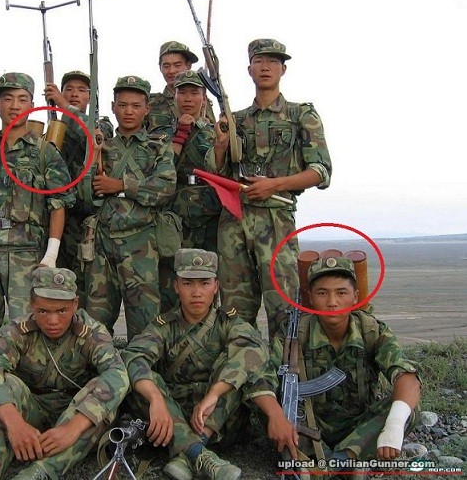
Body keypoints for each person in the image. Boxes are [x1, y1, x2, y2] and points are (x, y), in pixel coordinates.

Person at [0, 72, 75, 422]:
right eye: (7, 99)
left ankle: (26, 401)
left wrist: (51, 255)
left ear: (31, 104)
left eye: (22, 99)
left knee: (26, 329)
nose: (14, 106)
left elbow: (58, 205)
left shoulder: (45, 152)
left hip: (26, 252)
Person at [122, 249, 297, 480]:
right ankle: (201, 456)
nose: (196, 293)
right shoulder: (163, 326)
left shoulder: (228, 322)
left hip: (219, 420)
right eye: (188, 284)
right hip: (173, 417)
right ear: (176, 286)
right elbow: (134, 357)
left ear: (216, 286)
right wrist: (156, 399)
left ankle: (187, 452)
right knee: (144, 380)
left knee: (239, 367)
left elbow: (255, 351)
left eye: (204, 283)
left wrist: (215, 393)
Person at [206, 39, 332, 339]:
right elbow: (216, 174)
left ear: (283, 69)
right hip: (235, 222)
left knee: (284, 308)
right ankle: (241, 363)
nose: (265, 67)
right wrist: (221, 144)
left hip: (276, 219)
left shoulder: (301, 115)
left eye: (273, 61)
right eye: (259, 61)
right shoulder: (235, 120)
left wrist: (275, 185)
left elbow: (320, 172)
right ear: (249, 69)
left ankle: (285, 366)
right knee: (234, 310)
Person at [0, 267, 129, 480]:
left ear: (75, 305)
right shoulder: (18, 331)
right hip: (32, 409)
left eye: (62, 311)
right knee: (3, 391)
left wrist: (72, 428)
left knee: (100, 397)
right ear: (31, 305)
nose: (53, 321)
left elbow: (117, 374)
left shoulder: (92, 332)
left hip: (73, 411)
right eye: (43, 311)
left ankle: (38, 473)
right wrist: (15, 424)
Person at [270, 257, 421, 471]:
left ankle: (340, 459)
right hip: (307, 424)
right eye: (322, 293)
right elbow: (263, 379)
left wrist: (394, 425)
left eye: (341, 293)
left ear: (355, 297)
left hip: (359, 427)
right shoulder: (294, 334)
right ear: (310, 298)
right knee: (271, 404)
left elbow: (406, 376)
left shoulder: (371, 331)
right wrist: (277, 416)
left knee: (406, 408)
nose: (332, 302)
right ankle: (346, 463)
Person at [83, 75, 177, 341]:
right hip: (103, 244)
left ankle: (143, 368)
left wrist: (121, 185)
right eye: (123, 105)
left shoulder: (158, 146)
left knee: (145, 324)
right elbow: (84, 195)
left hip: (141, 243)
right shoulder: (103, 145)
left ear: (147, 109)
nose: (128, 111)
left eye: (136, 106)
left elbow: (165, 188)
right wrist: (94, 154)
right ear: (113, 107)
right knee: (96, 324)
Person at [44, 70, 113, 310]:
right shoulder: (52, 128)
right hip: (56, 217)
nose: (74, 94)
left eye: (82, 90)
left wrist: (64, 106)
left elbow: (91, 135)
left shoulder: (102, 125)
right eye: (68, 89)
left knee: (86, 288)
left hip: (87, 221)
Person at [157, 70, 222, 309]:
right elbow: (161, 171)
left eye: (194, 93)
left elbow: (220, 168)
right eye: (182, 92)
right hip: (175, 216)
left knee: (207, 278)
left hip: (209, 214)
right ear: (174, 97)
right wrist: (180, 134)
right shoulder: (162, 134)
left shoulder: (216, 132)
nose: (187, 98)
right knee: (171, 280)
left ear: (204, 98)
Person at [146, 41, 215, 133]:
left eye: (177, 65)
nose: (171, 71)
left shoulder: (200, 102)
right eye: (166, 66)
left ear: (188, 66)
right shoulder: (150, 103)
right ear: (160, 68)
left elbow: (214, 134)